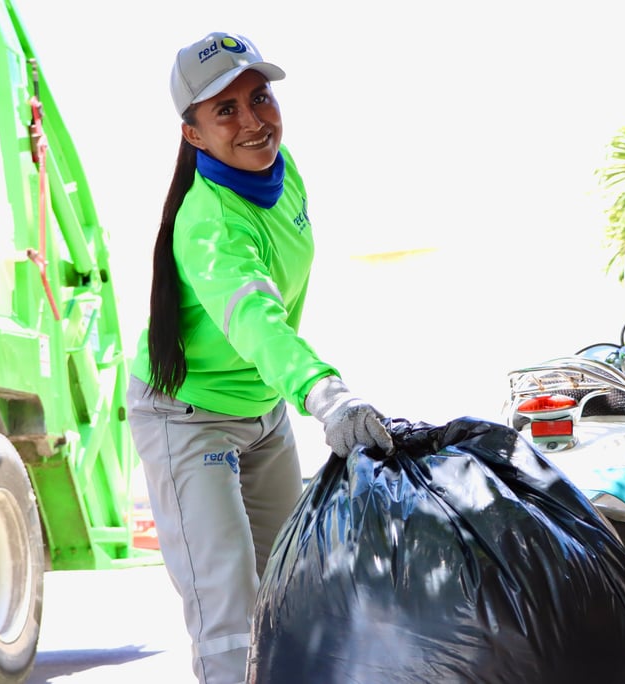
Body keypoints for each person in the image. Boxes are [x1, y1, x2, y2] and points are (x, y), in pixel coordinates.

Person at [125, 31, 395, 684]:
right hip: (187, 418)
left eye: (260, 97)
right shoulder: (209, 223)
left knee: (290, 591)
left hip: (263, 410)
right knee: (230, 613)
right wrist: (324, 391)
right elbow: (254, 315)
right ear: (193, 134)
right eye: (226, 110)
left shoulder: (281, 169)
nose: (253, 121)